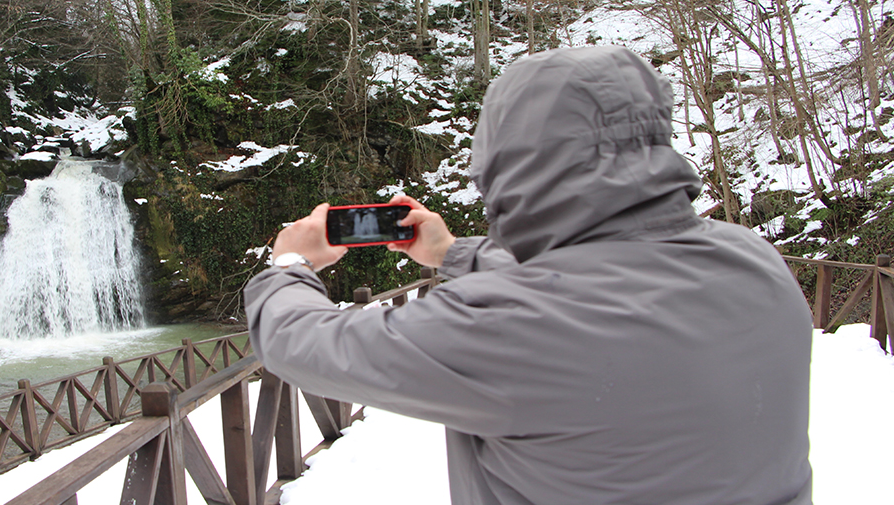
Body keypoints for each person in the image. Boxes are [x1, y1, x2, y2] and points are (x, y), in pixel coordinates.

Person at [244, 46, 812, 504]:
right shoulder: (752, 259)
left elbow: (303, 345)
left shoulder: (510, 324)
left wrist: (291, 264)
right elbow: (600, 275)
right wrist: (452, 254)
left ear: (508, 162)